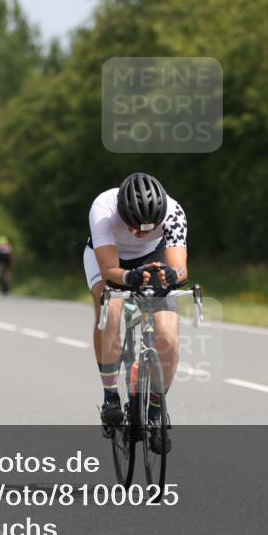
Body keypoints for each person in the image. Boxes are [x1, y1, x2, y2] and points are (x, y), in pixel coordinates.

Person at [83, 172, 188, 454]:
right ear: (122, 213)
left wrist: (168, 274)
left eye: (148, 228)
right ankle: (110, 397)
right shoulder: (103, 209)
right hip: (109, 259)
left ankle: (155, 409)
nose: (141, 233)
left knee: (168, 338)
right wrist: (129, 278)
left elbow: (180, 268)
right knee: (111, 307)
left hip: (152, 258)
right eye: (135, 227)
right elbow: (109, 270)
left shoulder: (174, 211)